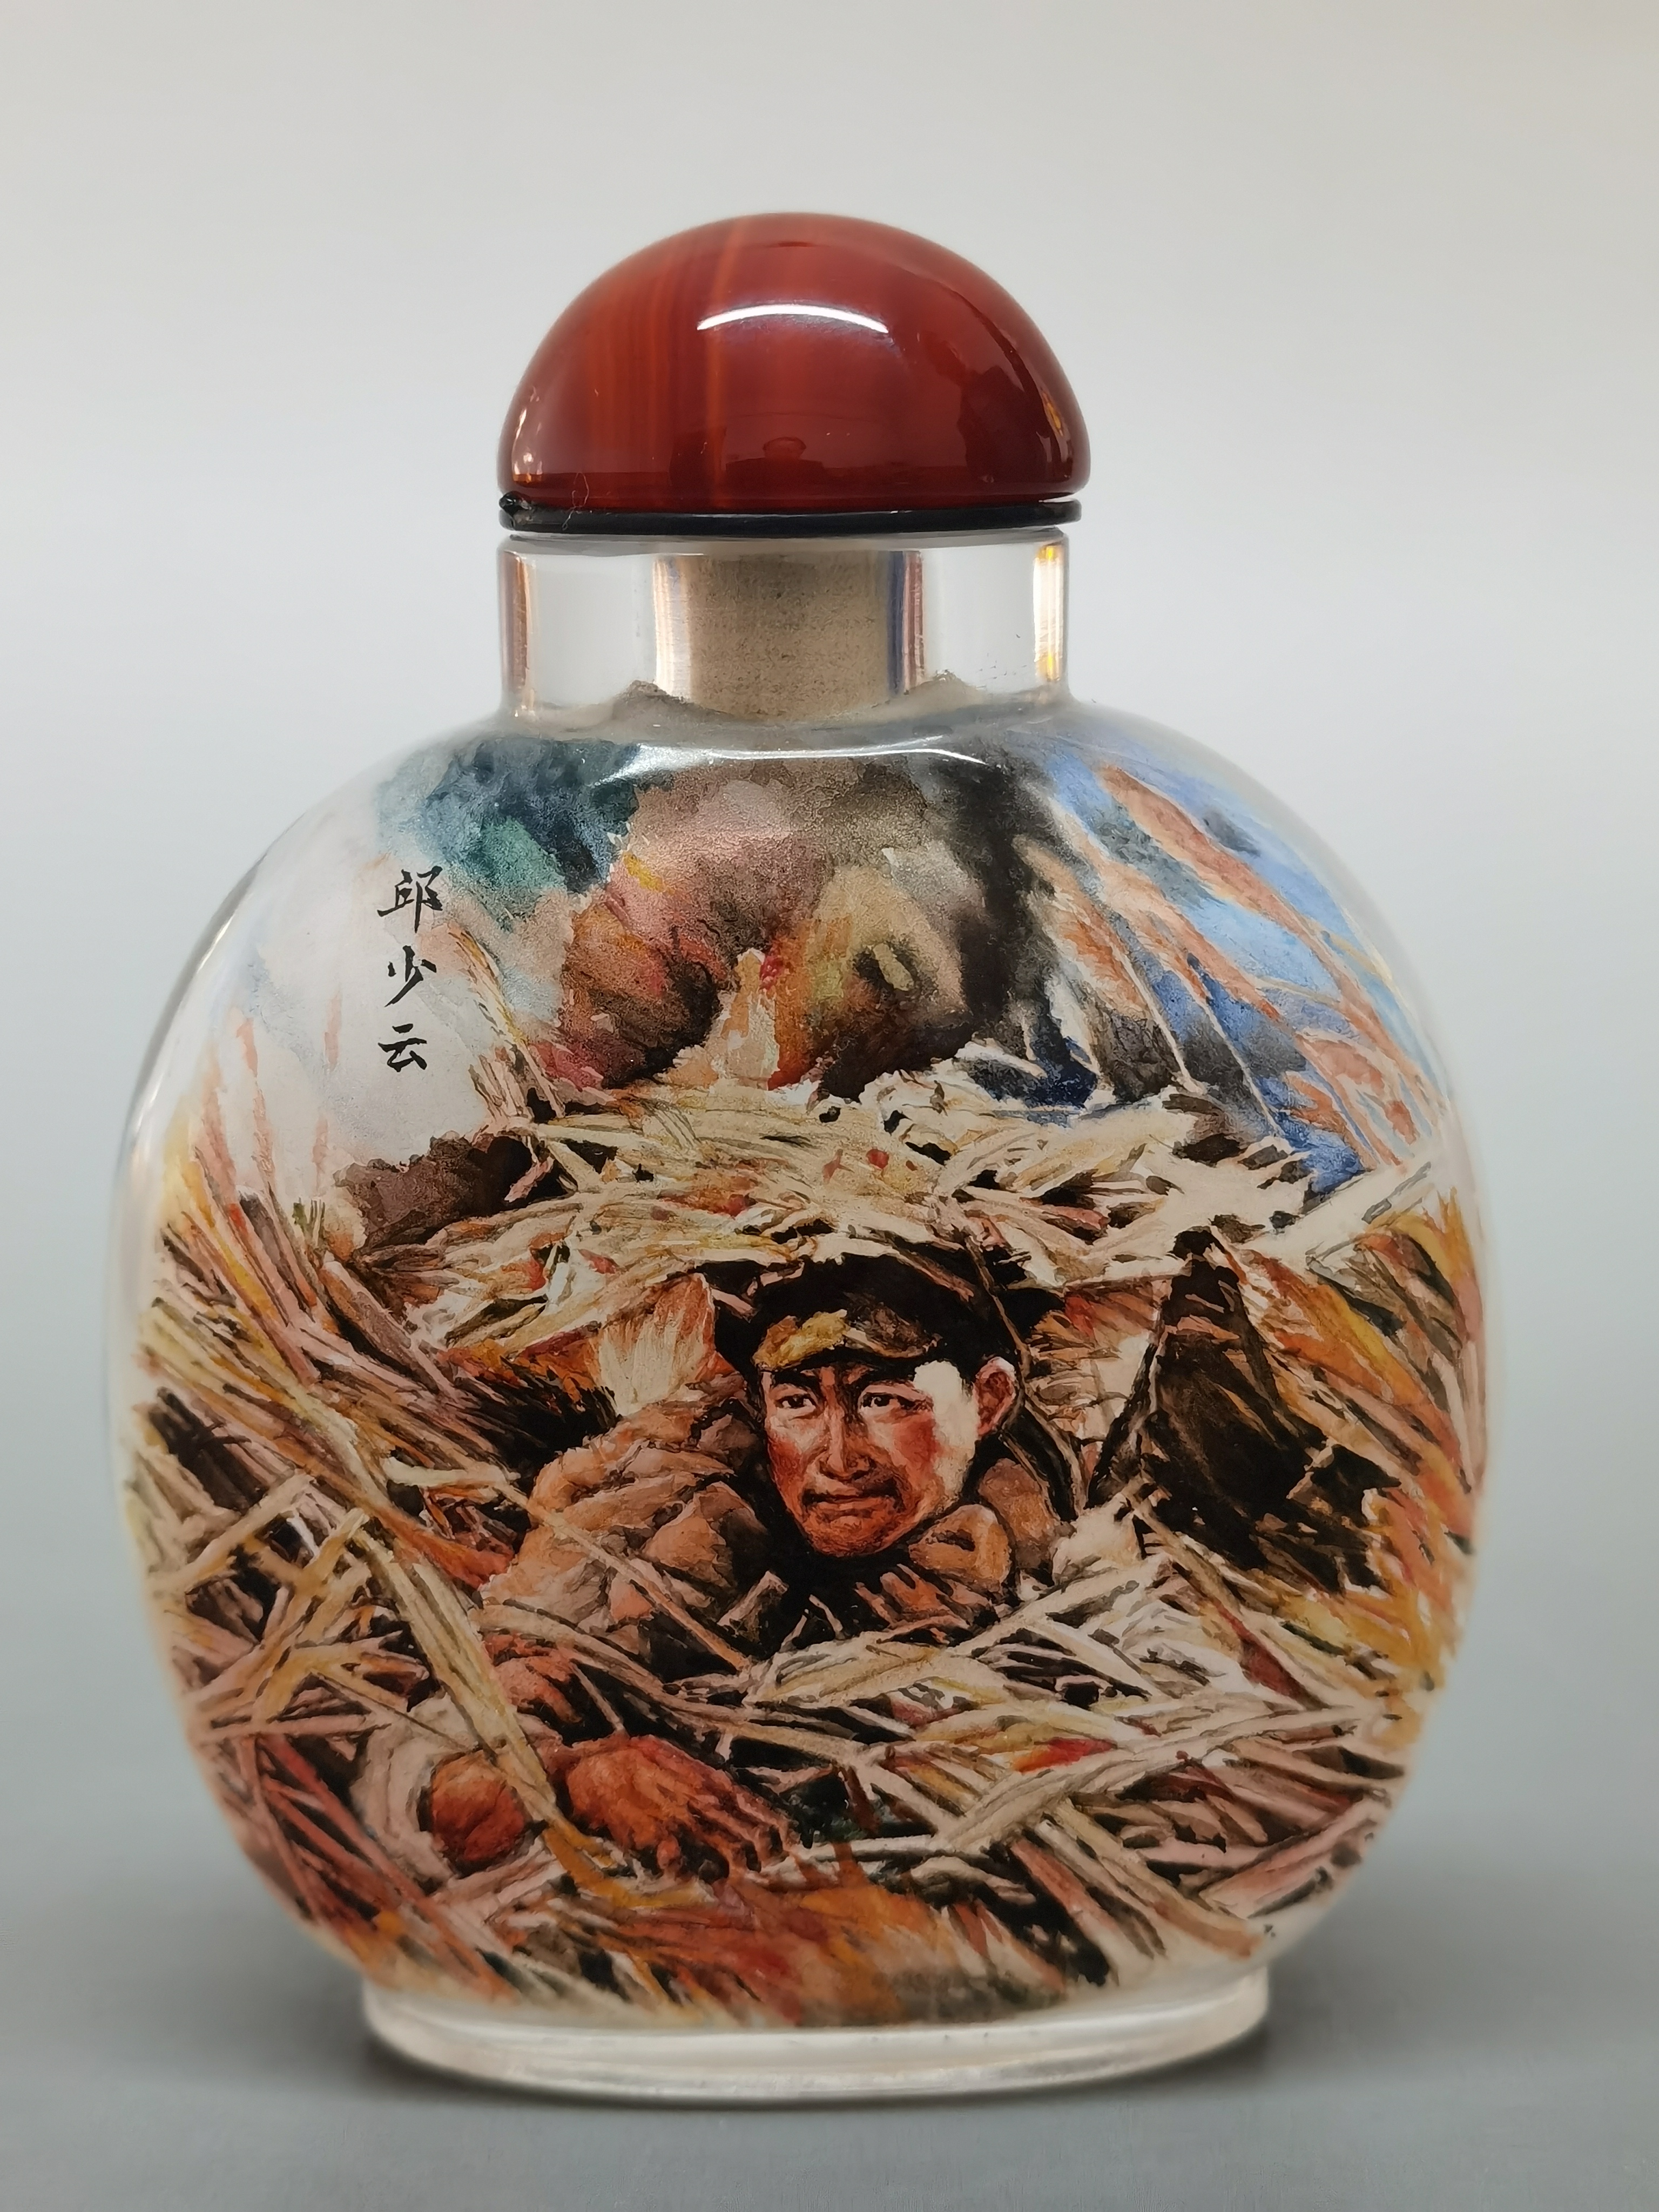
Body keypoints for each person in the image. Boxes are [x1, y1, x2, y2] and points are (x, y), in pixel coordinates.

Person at [427, 1250, 1078, 1878]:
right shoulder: (675, 1511)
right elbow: (453, 1750)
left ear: (990, 1399)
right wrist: (576, 1773)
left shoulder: (1041, 1506)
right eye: (798, 1403)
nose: (840, 1460)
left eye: (884, 1400)